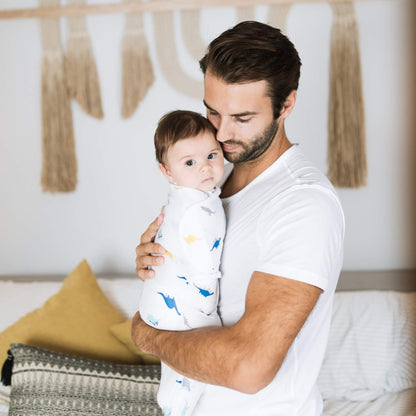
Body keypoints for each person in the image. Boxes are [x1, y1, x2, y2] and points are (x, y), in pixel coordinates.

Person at [132, 21, 345, 416]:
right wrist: (160, 263)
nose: (221, 133)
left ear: (286, 105)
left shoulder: (303, 204)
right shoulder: (212, 183)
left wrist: (148, 334)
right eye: (213, 112)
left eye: (242, 118)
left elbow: (249, 369)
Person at [138, 110, 226, 416]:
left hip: (162, 304)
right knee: (187, 379)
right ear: (167, 171)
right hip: (183, 314)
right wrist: (210, 309)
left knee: (177, 374)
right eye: (190, 162)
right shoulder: (197, 208)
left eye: (212, 155)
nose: (205, 167)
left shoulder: (187, 195)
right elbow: (205, 263)